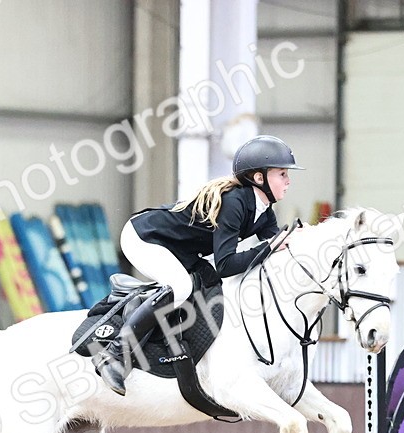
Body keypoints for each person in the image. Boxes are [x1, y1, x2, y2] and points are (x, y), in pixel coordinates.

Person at [92, 134, 303, 395]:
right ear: (259, 178)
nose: (288, 180)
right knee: (180, 287)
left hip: (178, 249)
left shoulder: (264, 212)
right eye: (282, 173)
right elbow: (227, 264)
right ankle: (114, 354)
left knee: (209, 282)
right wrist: (269, 247)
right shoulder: (235, 202)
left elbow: (277, 250)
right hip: (145, 237)